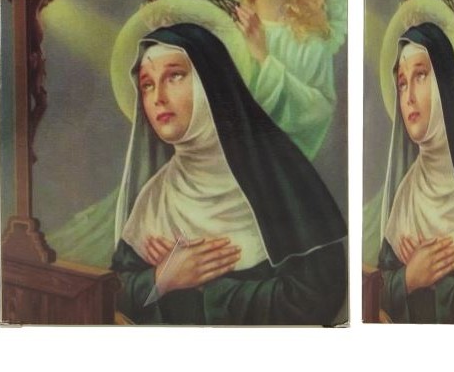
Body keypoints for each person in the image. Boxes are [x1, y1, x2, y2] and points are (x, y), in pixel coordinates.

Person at [112, 22, 347, 325]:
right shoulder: (155, 197)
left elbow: (319, 297)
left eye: (175, 76)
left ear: (210, 82)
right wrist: (160, 279)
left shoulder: (278, 180)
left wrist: (205, 287)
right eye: (147, 84)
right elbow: (115, 292)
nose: (157, 97)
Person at [185, 0, 346, 159]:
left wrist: (263, 56)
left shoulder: (309, 41)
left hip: (278, 164)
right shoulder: (229, 23)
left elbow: (318, 112)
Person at [378, 22, 454, 324]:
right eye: (402, 83)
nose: (408, 97)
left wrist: (432, 281)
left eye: (420, 75)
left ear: (444, 82)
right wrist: (408, 278)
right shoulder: (406, 195)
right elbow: (378, 296)